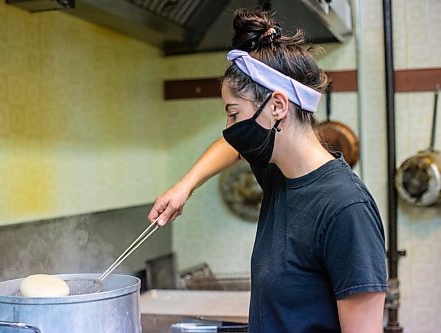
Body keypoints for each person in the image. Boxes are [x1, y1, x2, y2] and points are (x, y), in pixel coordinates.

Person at [149, 9, 387, 333]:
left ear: (277, 106)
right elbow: (233, 147)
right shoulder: (280, 174)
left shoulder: (345, 208)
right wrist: (184, 186)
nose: (230, 128)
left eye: (233, 114)